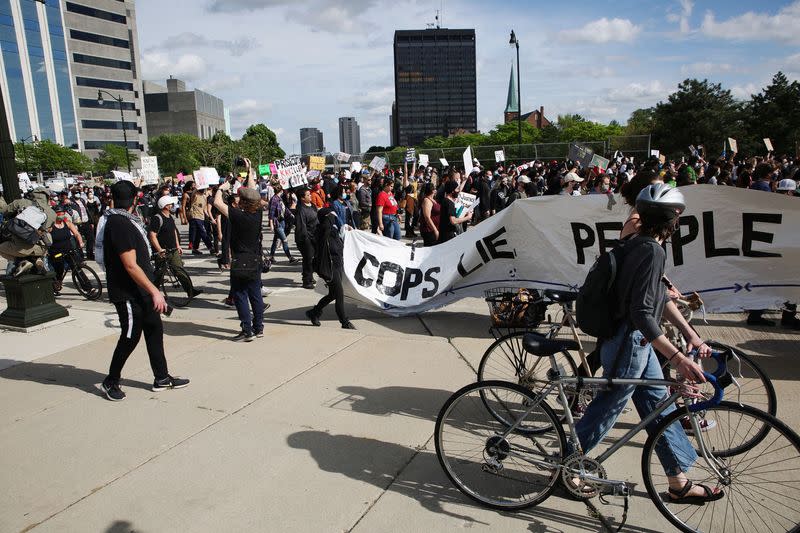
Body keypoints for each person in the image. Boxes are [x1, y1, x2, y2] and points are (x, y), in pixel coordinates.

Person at [572, 183, 722, 504]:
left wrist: (691, 335)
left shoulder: (637, 243)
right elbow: (641, 311)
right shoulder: (652, 250)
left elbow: (656, 298)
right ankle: (566, 465)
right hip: (630, 342)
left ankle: (677, 481)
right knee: (607, 408)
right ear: (675, 218)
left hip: (630, 341)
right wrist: (679, 357)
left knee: (658, 407)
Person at [95, 180, 189, 401]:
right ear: (135, 199)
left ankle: (162, 378)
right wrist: (155, 291)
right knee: (130, 337)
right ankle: (111, 381)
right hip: (128, 293)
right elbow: (130, 264)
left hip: (142, 290)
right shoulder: (119, 224)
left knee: (154, 331)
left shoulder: (124, 219)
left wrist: (151, 290)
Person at [213, 171, 265, 341]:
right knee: (255, 294)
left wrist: (222, 188)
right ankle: (259, 328)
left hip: (240, 260)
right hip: (255, 259)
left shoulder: (237, 215)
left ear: (242, 202)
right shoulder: (258, 214)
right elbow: (253, 191)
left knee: (240, 295)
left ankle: (247, 329)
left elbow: (217, 203)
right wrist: (249, 171)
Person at [305, 208, 355, 330]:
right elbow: (326, 228)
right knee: (339, 294)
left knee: (333, 294)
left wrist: (345, 230)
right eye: (330, 215)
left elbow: (338, 244)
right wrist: (330, 217)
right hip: (329, 267)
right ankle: (344, 322)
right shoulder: (321, 230)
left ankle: (314, 312)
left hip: (337, 265)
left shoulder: (332, 229)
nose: (334, 217)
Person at [148, 196, 202, 301]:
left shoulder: (170, 217)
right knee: (159, 274)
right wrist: (159, 250)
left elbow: (174, 232)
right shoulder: (157, 218)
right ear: (165, 206)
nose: (173, 206)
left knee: (180, 270)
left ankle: (190, 291)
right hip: (162, 252)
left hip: (173, 250)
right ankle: (152, 293)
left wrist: (178, 245)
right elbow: (152, 235)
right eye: (171, 204)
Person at [0, 187, 56, 276]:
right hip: (42, 248)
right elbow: (50, 229)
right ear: (47, 197)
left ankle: (22, 262)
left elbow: (3, 210)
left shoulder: (21, 202)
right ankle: (36, 260)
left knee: (1, 248)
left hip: (21, 248)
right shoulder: (52, 213)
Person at [48, 204, 84, 295]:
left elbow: (76, 234)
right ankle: (56, 284)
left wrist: (80, 242)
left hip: (69, 250)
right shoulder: (51, 226)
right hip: (56, 252)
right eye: (59, 214)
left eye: (63, 213)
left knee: (77, 268)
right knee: (59, 270)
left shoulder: (67, 223)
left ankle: (87, 287)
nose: (61, 215)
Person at [267, 182, 299, 264]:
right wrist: (271, 224)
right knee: (284, 240)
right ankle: (290, 258)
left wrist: (291, 214)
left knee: (275, 240)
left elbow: (284, 209)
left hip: (282, 221)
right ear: (280, 191)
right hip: (277, 223)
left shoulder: (279, 199)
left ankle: (271, 257)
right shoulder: (274, 199)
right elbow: (271, 212)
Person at [294, 187, 318, 289]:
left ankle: (311, 276)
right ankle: (306, 280)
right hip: (305, 238)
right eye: (307, 195)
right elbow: (301, 226)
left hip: (314, 236)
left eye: (309, 194)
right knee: (308, 259)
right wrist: (306, 239)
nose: (310, 196)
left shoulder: (312, 206)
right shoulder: (300, 210)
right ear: (302, 198)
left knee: (314, 258)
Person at [419, 182, 440, 247]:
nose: (436, 190)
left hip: (433, 229)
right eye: (435, 188)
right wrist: (435, 230)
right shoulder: (427, 200)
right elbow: (427, 217)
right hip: (429, 230)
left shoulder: (433, 200)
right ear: (432, 190)